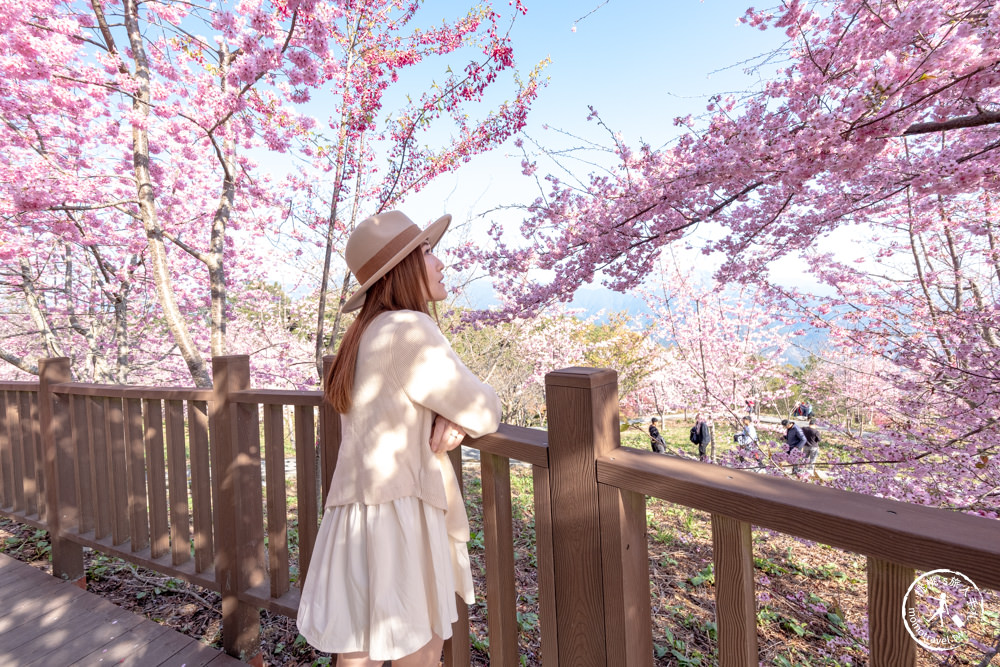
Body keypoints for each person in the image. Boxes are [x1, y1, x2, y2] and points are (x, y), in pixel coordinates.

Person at [297, 211, 502, 667]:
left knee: (360, 648)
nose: (440, 262)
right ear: (402, 268)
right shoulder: (409, 329)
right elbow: (484, 408)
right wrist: (463, 417)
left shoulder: (363, 332)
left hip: (354, 511)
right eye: (427, 252)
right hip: (401, 509)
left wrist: (451, 417)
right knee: (421, 646)